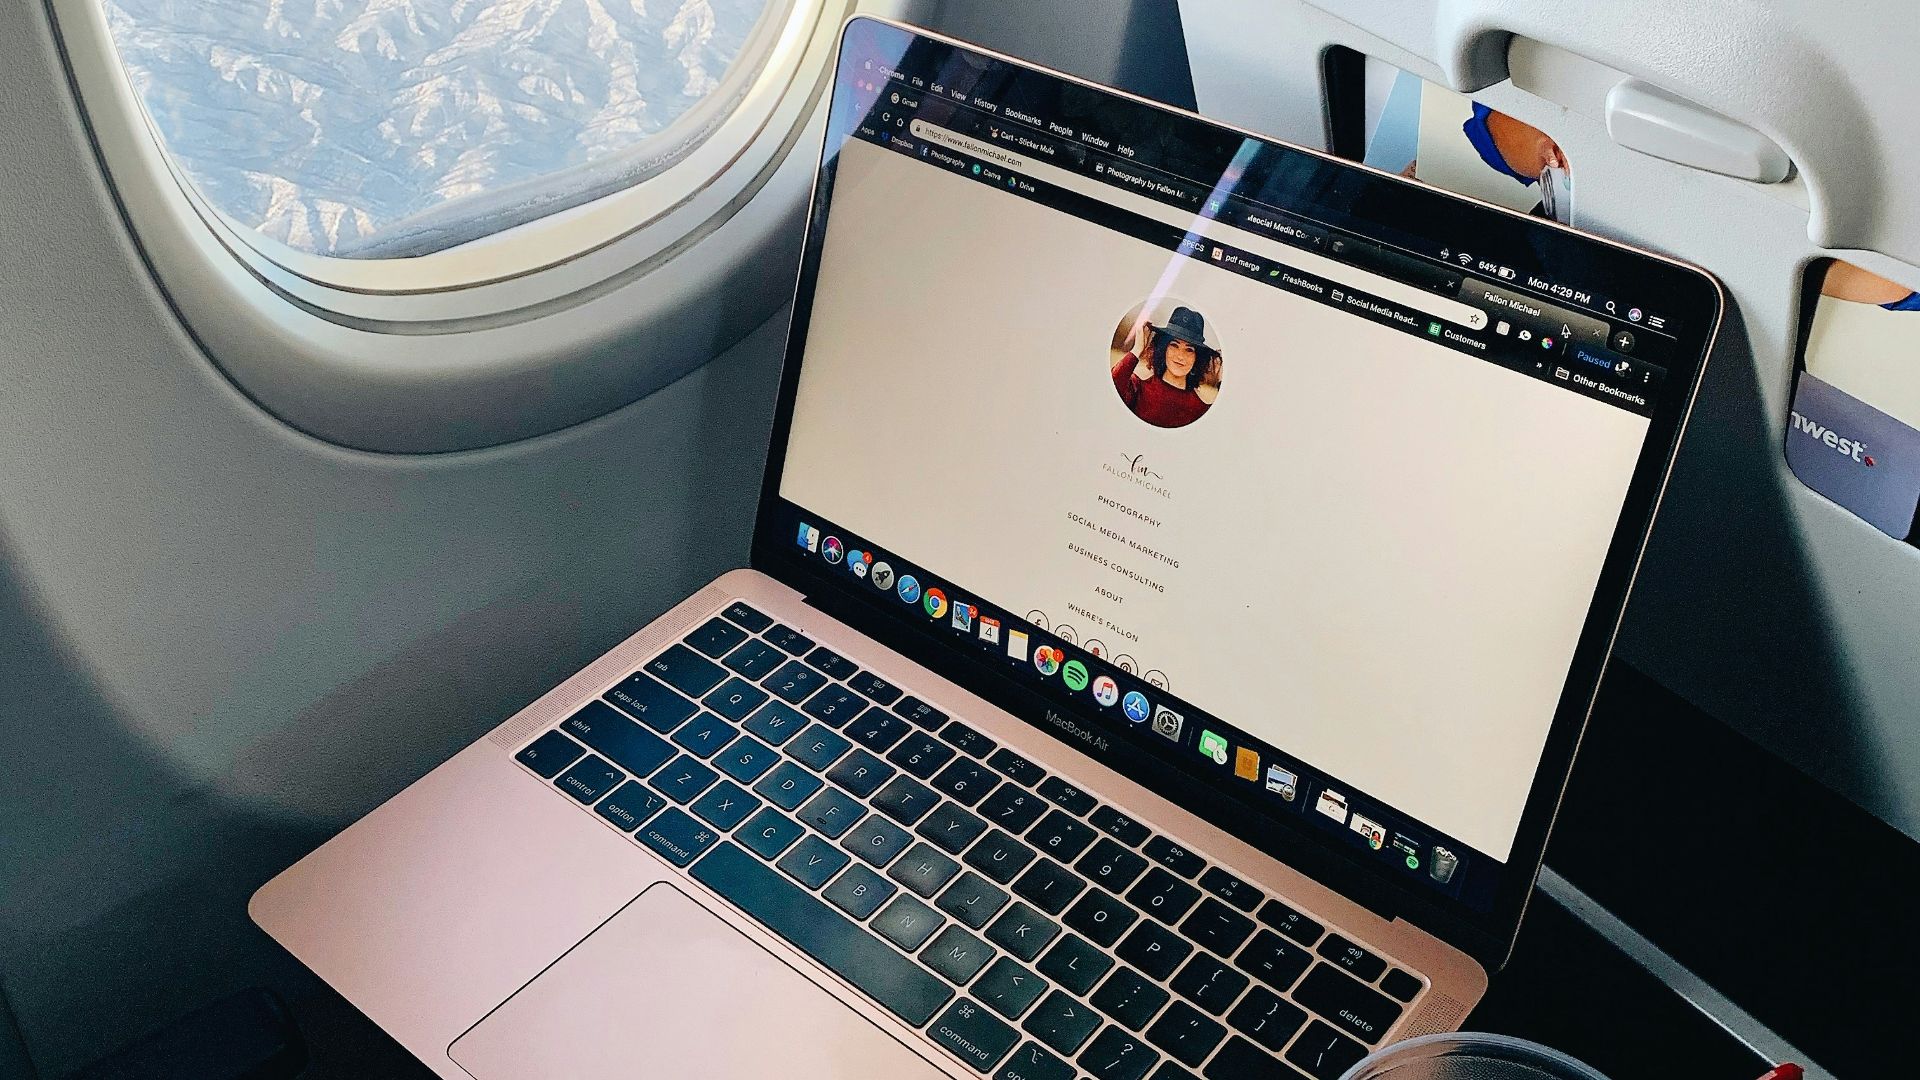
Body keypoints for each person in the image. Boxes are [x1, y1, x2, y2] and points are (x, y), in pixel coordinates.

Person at [1112, 305, 1221, 428]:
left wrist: (1222, 381)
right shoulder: (1137, 389)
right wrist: (1137, 349)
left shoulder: (1202, 411)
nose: (1180, 356)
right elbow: (1111, 388)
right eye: (1174, 345)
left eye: (1189, 350)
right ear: (1163, 349)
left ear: (1198, 358)